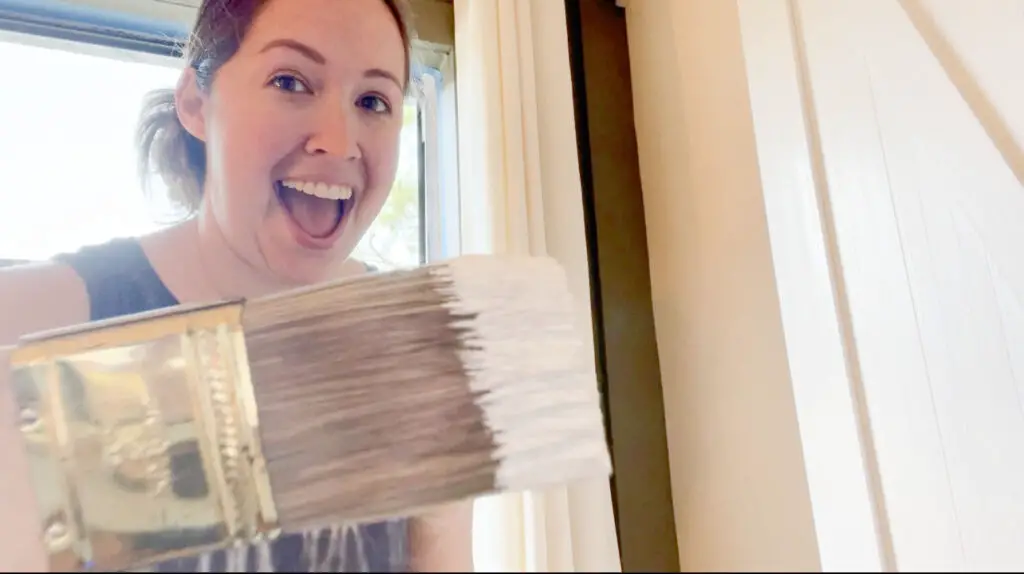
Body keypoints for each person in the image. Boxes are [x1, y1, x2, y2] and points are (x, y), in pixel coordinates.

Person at [0, 0, 473, 571]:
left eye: (373, 101)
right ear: (196, 103)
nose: (339, 140)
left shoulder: (418, 349)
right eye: (291, 81)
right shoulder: (38, 318)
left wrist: (442, 502)